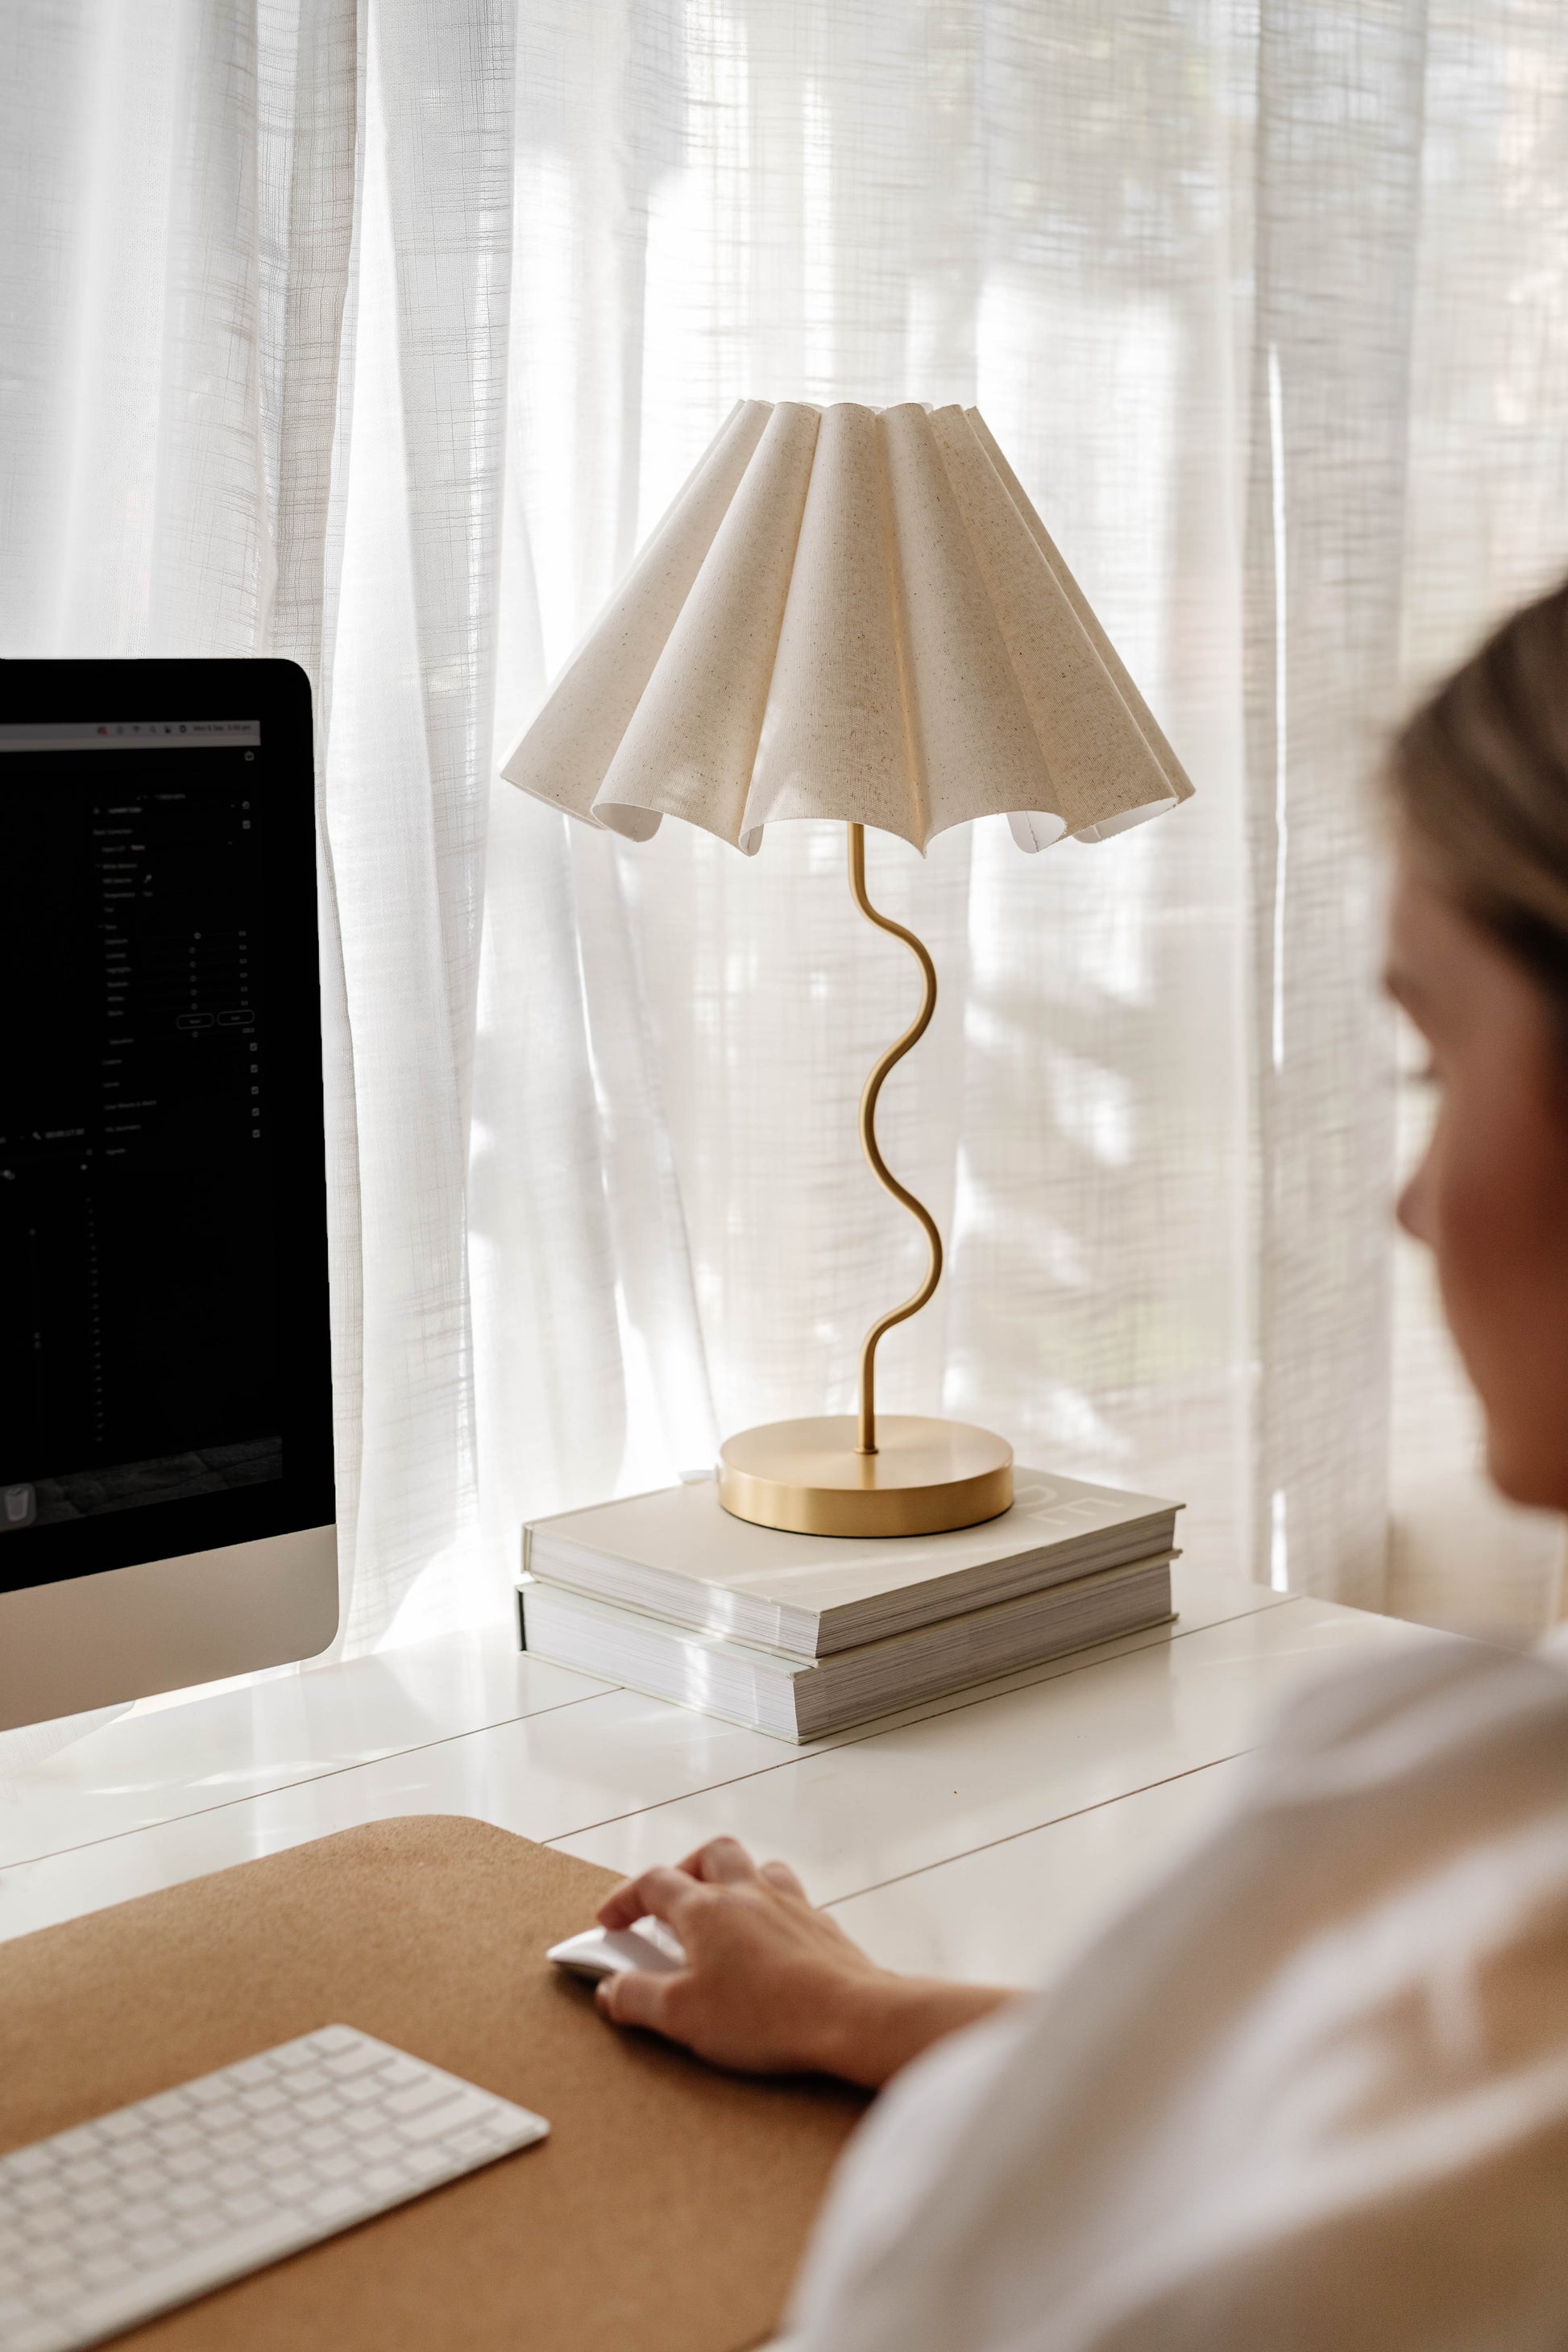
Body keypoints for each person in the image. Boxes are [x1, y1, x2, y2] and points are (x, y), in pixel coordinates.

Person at [591, 576, 1568, 2351]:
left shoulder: (1467, 1831)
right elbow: (1289, 2109)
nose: (1409, 1204)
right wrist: (860, 2011)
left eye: (1435, 1061)